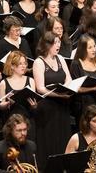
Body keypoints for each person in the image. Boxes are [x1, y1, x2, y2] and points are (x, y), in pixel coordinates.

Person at [32, 31, 72, 169]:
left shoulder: (60, 58)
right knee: (49, 139)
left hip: (62, 104)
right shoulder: (39, 62)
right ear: (47, 44)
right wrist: (58, 95)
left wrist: (66, 89)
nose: (58, 45)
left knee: (63, 137)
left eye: (59, 42)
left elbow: (68, 79)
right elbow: (40, 88)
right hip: (47, 106)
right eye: (55, 43)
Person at [65, 104, 96, 172]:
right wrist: (81, 157)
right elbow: (66, 163)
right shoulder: (75, 138)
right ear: (86, 122)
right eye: (95, 121)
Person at [70, 35, 96, 124]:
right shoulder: (76, 64)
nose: (94, 49)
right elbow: (75, 88)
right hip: (83, 104)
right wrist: (94, 89)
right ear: (83, 49)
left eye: (94, 46)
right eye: (90, 47)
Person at [0, 51, 36, 135]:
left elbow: (34, 103)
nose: (24, 66)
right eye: (20, 64)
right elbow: (1, 106)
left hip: (28, 121)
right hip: (12, 123)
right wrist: (8, 103)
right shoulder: (4, 83)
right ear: (12, 66)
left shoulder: (30, 80)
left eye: (25, 63)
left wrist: (34, 105)